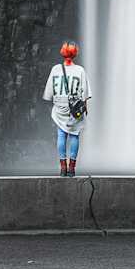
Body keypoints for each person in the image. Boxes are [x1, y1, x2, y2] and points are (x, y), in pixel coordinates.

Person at [42, 41, 90, 176]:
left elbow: (49, 93)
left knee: (61, 135)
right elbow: (85, 92)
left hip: (60, 107)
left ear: (63, 53)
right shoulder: (80, 70)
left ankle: (63, 167)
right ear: (75, 54)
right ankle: (72, 168)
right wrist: (85, 107)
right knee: (74, 135)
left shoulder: (55, 69)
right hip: (75, 109)